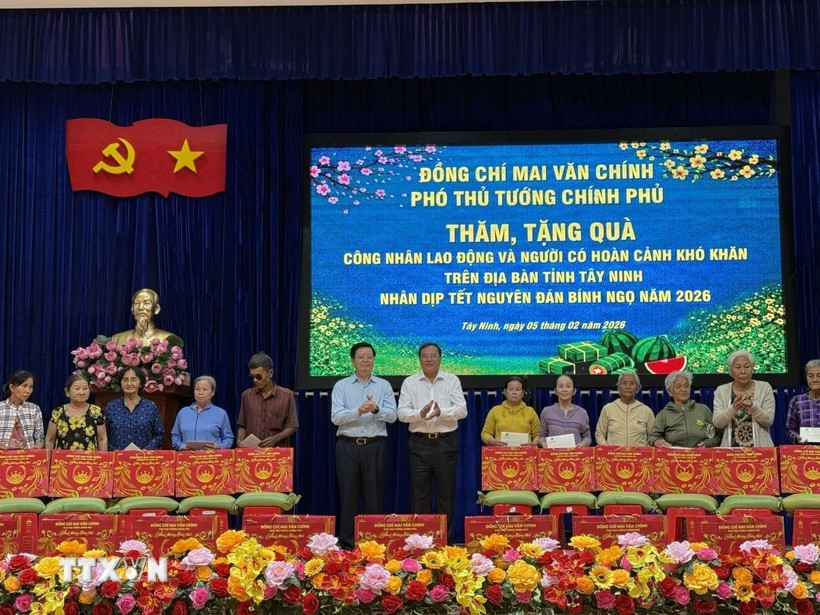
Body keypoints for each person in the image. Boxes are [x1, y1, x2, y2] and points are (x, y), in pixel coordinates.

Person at [331, 342, 398, 549]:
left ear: (374, 360)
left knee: (374, 496)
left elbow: (393, 416)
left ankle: (373, 543)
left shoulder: (384, 386)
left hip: (375, 446)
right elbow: (336, 418)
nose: (365, 361)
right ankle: (348, 544)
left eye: (369, 357)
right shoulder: (341, 386)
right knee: (348, 496)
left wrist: (376, 409)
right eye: (361, 357)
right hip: (347, 446)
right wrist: (359, 411)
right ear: (353, 361)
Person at [398, 342, 467, 540]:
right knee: (420, 496)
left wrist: (441, 412)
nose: (429, 359)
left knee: (446, 495)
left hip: (445, 442)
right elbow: (401, 413)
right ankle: (421, 541)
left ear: (440, 358)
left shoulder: (451, 380)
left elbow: (462, 410)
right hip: (419, 443)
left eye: (433, 355)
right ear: (419, 359)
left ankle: (444, 540)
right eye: (425, 356)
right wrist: (418, 414)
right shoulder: (409, 382)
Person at [712, 350, 775, 447]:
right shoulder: (721, 390)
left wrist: (753, 406)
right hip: (730, 453)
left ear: (752, 368)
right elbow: (717, 423)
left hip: (760, 452)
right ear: (731, 371)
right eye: (737, 367)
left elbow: (769, 420)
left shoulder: (765, 387)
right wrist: (733, 408)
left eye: (747, 366)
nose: (743, 371)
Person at [237, 352, 298, 447]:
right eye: (252, 376)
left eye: (258, 376)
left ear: (270, 373)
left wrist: (275, 438)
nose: (255, 380)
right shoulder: (246, 396)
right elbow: (242, 425)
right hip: (253, 453)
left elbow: (292, 426)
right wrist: (239, 441)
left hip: (278, 452)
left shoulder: (286, 395)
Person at [649, 370, 721, 448]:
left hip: (702, 456)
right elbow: (652, 437)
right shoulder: (663, 414)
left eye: (686, 386)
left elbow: (718, 435)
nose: (683, 390)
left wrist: (708, 443)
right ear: (670, 391)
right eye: (678, 386)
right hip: (674, 457)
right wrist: (656, 441)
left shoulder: (703, 409)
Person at [103, 367, 165, 450]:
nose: (129, 383)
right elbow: (102, 435)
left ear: (141, 384)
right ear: (121, 384)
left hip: (144, 459)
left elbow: (159, 434)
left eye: (133, 379)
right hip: (117, 458)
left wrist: (147, 449)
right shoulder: (111, 407)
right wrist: (113, 450)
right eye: (125, 380)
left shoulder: (150, 406)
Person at [45, 375, 107, 451]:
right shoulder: (57, 412)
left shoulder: (96, 412)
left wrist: (103, 460)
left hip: (89, 460)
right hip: (62, 461)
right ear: (67, 392)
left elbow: (102, 439)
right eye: (77, 388)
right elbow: (49, 440)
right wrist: (48, 460)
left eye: (85, 388)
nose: (81, 392)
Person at [171, 375, 234, 450]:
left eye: (205, 389)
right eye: (197, 389)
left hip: (211, 457)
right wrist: (182, 446)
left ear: (213, 392)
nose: (200, 392)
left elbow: (229, 438)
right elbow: (175, 436)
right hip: (186, 457)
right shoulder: (183, 412)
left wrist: (220, 446)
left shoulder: (221, 413)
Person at [595, 371, 655, 446]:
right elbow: (599, 433)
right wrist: (607, 449)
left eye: (632, 383)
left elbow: (653, 436)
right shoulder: (608, 409)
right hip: (614, 455)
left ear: (637, 388)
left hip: (639, 456)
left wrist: (646, 452)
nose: (628, 387)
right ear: (618, 388)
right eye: (624, 383)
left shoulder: (646, 411)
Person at [481, 376, 539, 446]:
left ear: (523, 393)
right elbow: (485, 433)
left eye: (518, 389)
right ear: (505, 392)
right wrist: (492, 441)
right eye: (511, 389)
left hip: (525, 454)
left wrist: (534, 443)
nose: (514, 392)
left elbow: (538, 435)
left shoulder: (530, 412)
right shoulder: (495, 411)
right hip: (501, 453)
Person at [111, 288, 181, 346]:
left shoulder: (170, 340)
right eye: (137, 303)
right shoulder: (116, 339)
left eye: (146, 303)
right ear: (132, 309)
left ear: (156, 309)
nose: (140, 307)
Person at [539, 374, 591, 447]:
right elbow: (542, 436)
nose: (564, 390)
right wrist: (544, 444)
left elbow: (587, 437)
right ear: (555, 391)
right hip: (552, 456)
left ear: (574, 391)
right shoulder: (547, 411)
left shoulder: (582, 413)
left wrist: (584, 443)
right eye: (560, 386)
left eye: (568, 386)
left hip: (574, 456)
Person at [0, 370, 44, 449]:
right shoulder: (1, 408)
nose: (28, 391)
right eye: (24, 386)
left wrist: (39, 445)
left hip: (27, 457)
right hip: (3, 457)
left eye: (31, 387)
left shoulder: (34, 409)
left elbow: (39, 435)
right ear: (12, 387)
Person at [785, 359, 820, 444]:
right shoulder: (796, 401)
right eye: (810, 376)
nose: (815, 380)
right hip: (805, 452)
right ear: (806, 377)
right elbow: (789, 430)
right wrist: (797, 437)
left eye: (819, 376)